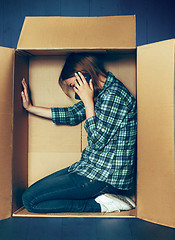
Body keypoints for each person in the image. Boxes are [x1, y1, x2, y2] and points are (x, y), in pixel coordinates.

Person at [21, 53, 137, 213]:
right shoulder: (101, 93)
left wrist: (88, 100)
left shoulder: (114, 96)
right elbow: (72, 114)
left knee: (30, 201)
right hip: (90, 168)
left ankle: (104, 204)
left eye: (73, 85)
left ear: (84, 76)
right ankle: (104, 197)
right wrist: (30, 108)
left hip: (105, 177)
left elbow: (97, 142)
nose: (74, 90)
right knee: (31, 195)